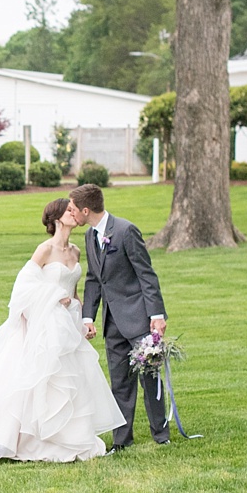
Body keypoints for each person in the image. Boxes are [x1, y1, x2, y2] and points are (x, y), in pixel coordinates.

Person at [0, 197, 125, 461]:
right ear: (57, 218)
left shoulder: (76, 251)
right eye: (69, 210)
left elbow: (75, 292)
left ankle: (72, 440)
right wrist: (54, 296)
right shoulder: (44, 250)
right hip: (47, 323)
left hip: (68, 322)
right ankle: (33, 441)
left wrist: (85, 320)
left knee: (72, 379)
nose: (74, 213)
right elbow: (22, 289)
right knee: (44, 378)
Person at [67, 183, 170, 449]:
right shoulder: (90, 236)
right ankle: (121, 441)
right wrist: (88, 317)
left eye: (73, 209)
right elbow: (93, 279)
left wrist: (156, 315)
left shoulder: (125, 231)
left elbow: (146, 275)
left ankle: (161, 435)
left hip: (139, 320)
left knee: (150, 380)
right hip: (112, 324)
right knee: (120, 384)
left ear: (86, 210)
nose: (71, 214)